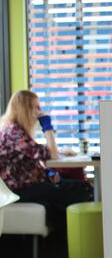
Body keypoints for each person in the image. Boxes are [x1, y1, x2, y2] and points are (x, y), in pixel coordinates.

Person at [0, 90, 93, 235]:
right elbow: (53, 155)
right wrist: (47, 127)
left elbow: (29, 160)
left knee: (72, 189)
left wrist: (47, 172)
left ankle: (68, 238)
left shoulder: (13, 130)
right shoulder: (14, 134)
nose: (39, 111)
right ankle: (83, 235)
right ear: (25, 109)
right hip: (20, 191)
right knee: (84, 189)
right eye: (36, 107)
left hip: (25, 186)